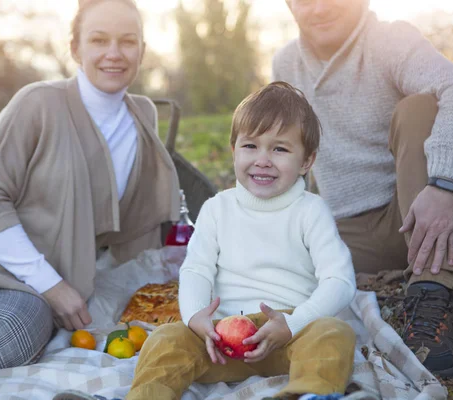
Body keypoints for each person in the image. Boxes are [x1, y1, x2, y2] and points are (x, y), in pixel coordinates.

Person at [0, 0, 180, 390]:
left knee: (11, 339)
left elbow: (136, 226)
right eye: (98, 40)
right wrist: (54, 286)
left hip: (16, 287)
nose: (113, 53)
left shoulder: (143, 117)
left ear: (143, 51)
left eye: (127, 42)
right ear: (76, 47)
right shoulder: (39, 102)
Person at [273, 0, 453, 379]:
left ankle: (433, 297)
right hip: (362, 230)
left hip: (440, 203)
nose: (320, 8)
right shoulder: (286, 64)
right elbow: (296, 153)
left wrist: (444, 183)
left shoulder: (390, 40)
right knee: (275, 261)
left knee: (419, 108)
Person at [125, 82, 359, 400]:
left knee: (335, 333)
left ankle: (307, 393)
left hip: (290, 334)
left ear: (306, 161)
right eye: (251, 146)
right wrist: (196, 317)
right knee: (166, 339)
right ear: (234, 150)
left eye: (279, 149)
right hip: (221, 337)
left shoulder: (310, 211)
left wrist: (295, 321)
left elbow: (340, 280)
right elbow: (196, 270)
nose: (263, 159)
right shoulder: (217, 209)